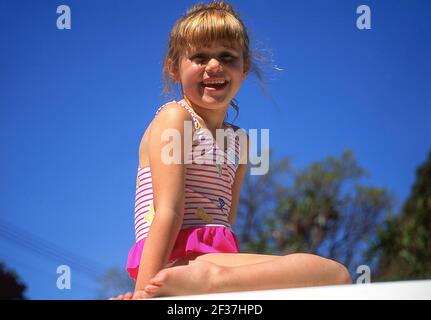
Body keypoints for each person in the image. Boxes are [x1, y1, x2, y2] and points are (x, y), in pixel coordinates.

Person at [110, 0, 351, 300]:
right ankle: (208, 278)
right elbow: (168, 211)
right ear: (173, 69)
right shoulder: (176, 118)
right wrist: (143, 293)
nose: (214, 66)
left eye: (227, 56)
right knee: (331, 275)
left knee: (336, 275)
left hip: (216, 260)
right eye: (199, 57)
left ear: (244, 68)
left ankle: (215, 279)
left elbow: (226, 219)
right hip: (176, 260)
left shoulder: (240, 142)